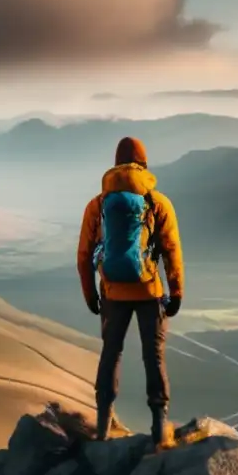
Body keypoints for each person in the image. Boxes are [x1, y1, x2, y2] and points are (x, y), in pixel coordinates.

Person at [77, 136, 184, 446]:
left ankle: (102, 427)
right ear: (144, 164)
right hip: (150, 292)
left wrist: (91, 295)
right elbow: (171, 250)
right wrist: (175, 292)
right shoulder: (157, 202)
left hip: (112, 293)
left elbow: (84, 255)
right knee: (154, 356)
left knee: (111, 354)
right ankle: (158, 428)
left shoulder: (98, 205)